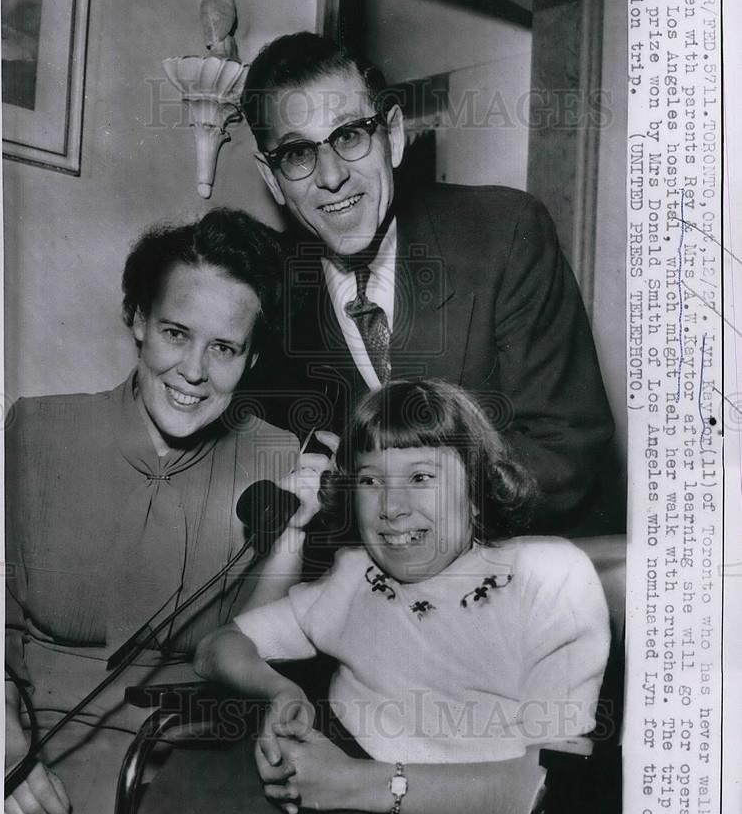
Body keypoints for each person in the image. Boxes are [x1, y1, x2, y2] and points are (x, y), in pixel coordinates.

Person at [119, 378, 610, 814]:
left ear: (480, 490)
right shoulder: (355, 574)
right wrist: (280, 693)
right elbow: (218, 648)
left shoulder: (549, 575)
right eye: (372, 481)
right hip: (334, 780)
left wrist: (354, 783)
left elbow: (546, 787)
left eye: (421, 477)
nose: (391, 507)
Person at [3, 208, 329, 814]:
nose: (193, 371)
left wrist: (296, 531)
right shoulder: (38, 430)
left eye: (225, 348)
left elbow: (251, 639)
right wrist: (2, 742)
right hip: (28, 752)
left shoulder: (275, 456)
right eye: (176, 334)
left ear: (252, 357)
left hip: (190, 769)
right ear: (138, 322)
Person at [240, 31, 617, 536]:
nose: (330, 177)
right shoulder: (271, 294)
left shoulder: (505, 233)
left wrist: (397, 498)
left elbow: (567, 450)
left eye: (350, 135)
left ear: (392, 136)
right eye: (297, 154)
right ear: (272, 179)